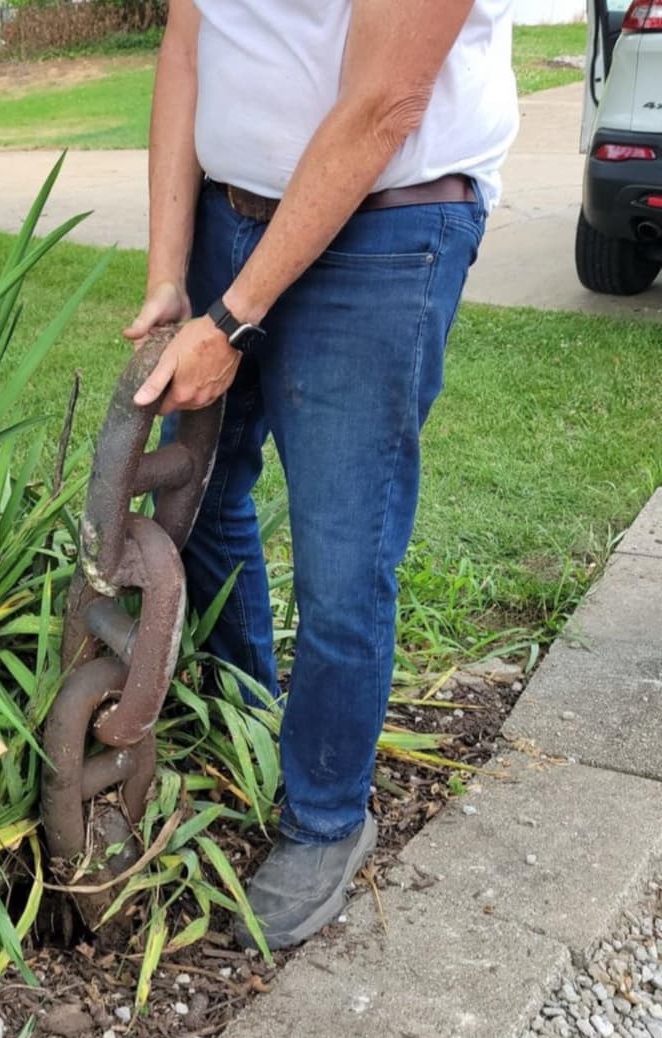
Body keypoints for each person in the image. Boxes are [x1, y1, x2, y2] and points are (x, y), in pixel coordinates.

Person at [122, 0, 518, 950]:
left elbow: (387, 100)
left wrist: (235, 318)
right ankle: (254, 716)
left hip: (386, 233)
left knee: (344, 556)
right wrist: (171, 273)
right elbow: (188, 45)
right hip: (227, 218)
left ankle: (326, 817)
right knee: (201, 497)